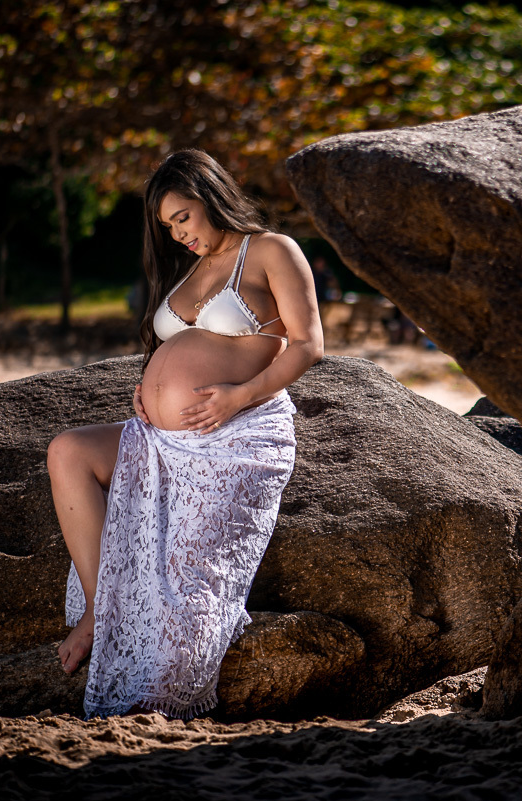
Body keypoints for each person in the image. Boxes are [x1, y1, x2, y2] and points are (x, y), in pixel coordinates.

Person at [46, 149, 323, 719]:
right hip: (163, 439)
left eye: (183, 218)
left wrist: (238, 396)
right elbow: (182, 347)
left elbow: (308, 343)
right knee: (68, 451)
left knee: (184, 593)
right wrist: (149, 390)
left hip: (236, 434)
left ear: (211, 196)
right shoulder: (192, 269)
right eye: (168, 226)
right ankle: (100, 608)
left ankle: (159, 684)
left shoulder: (271, 250)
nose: (178, 235)